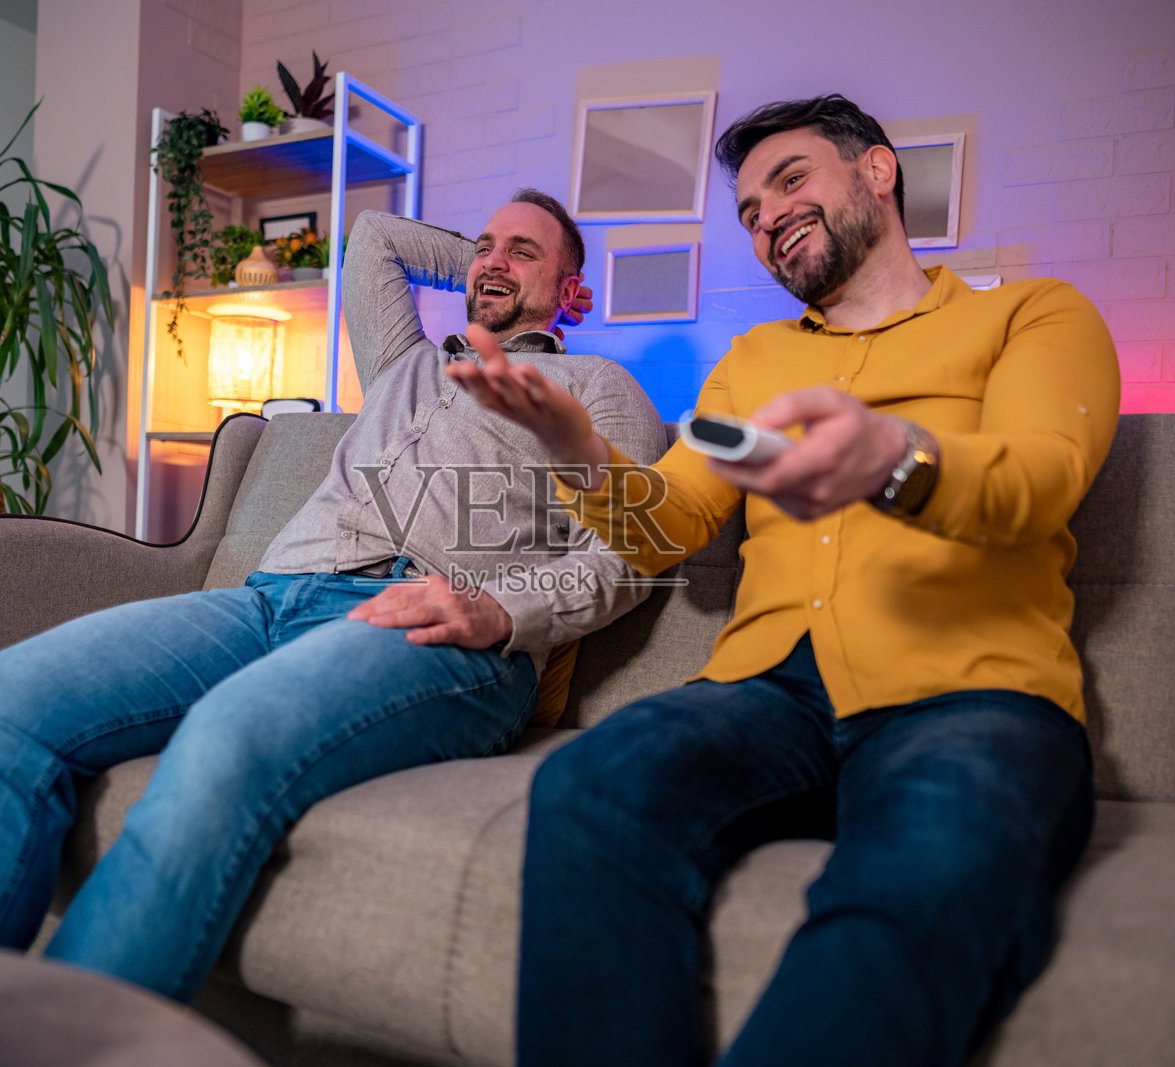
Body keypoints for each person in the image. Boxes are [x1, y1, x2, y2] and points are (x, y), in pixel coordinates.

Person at [449, 96, 1121, 1067]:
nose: (766, 216)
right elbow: (671, 520)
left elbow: (1040, 477)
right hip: (768, 693)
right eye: (750, 210)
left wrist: (897, 458)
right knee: (590, 784)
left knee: (912, 884)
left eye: (790, 180)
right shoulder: (754, 360)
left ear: (878, 171)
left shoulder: (1032, 313)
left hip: (974, 695)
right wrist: (576, 449)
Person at [0, 190, 667, 1003]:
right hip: (269, 600)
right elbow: (374, 240)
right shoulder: (407, 359)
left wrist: (503, 612)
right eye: (484, 246)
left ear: (573, 291)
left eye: (524, 253)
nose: (494, 260)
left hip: (432, 633)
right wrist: (491, 256)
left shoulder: (599, 388)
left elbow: (633, 547)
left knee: (225, 737)